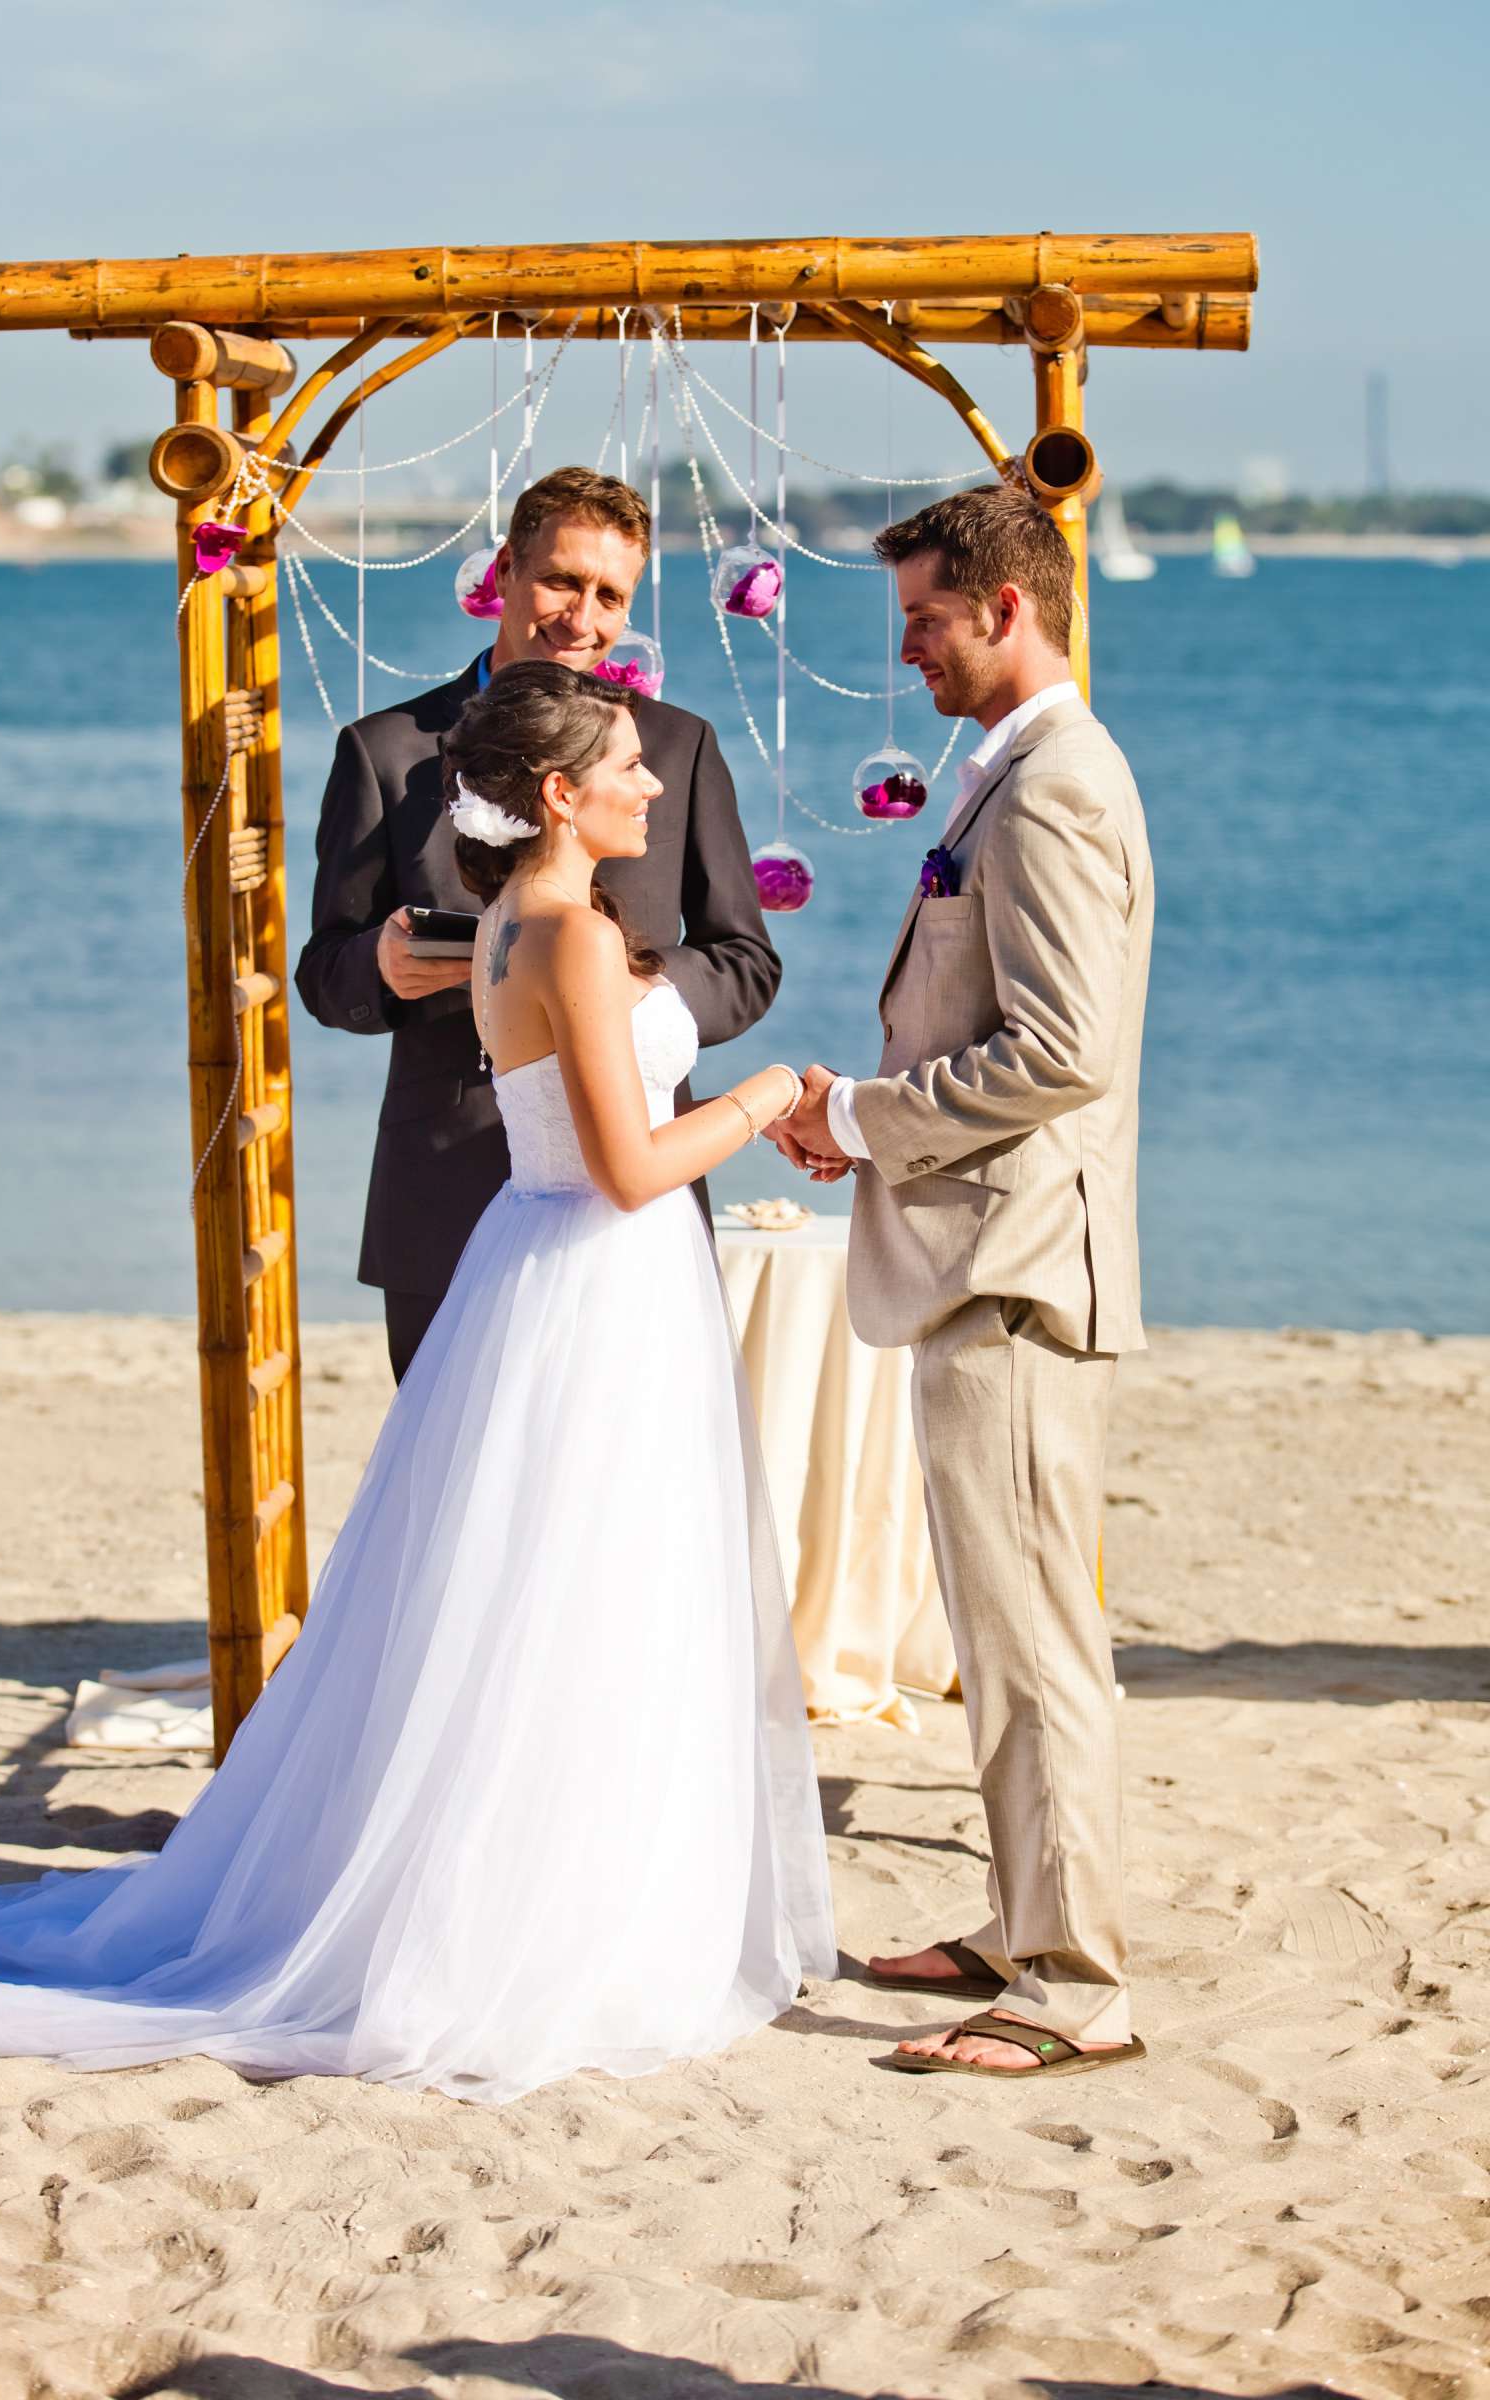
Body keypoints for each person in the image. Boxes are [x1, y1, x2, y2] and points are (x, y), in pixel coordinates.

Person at [0, 662, 836, 2104]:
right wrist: (765, 1101)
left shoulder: (528, 913)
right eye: (630, 766)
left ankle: (574, 1891)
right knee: (576, 1600)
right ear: (562, 794)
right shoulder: (567, 932)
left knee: (557, 1601)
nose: (657, 782)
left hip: (560, 1272)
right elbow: (632, 1170)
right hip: (591, 1276)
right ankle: (544, 1924)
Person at [775, 485, 1152, 2080]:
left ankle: (1072, 1986)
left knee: (1034, 1638)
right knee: (1003, 1631)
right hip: (979, 1256)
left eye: (927, 618)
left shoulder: (1057, 783)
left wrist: (866, 1121)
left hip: (1012, 1269)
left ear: (1009, 606)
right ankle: (1017, 1923)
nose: (908, 650)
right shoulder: (1013, 773)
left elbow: (1060, 1051)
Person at [295, 464, 780, 1383]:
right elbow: (325, 974)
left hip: (627, 1208)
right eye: (562, 580)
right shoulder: (385, 752)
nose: (582, 618)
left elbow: (746, 960)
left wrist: (613, 994)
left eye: (610, 596)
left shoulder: (674, 748)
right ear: (507, 569)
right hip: (443, 1191)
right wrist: (382, 970)